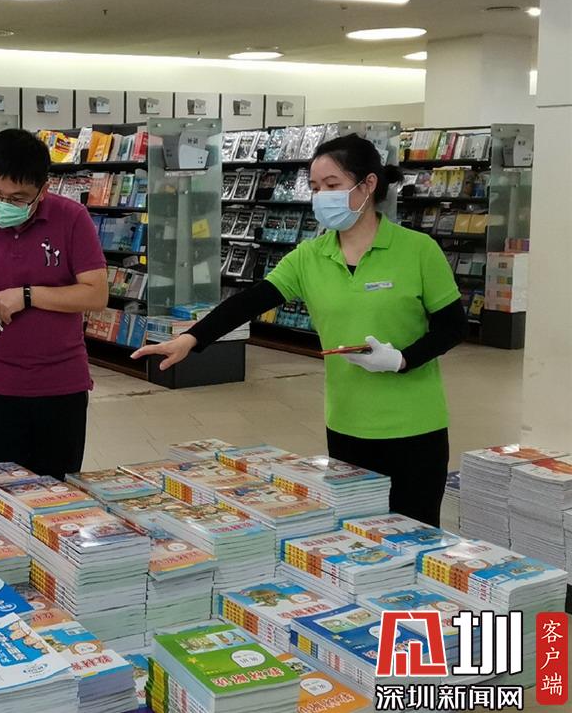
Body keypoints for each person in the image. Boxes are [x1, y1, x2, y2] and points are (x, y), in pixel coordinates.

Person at [134, 134, 466, 526]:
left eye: (332, 185)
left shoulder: (418, 250)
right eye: (315, 187)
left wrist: (402, 360)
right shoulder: (311, 256)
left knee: (418, 532)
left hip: (416, 427)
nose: (321, 196)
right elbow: (251, 300)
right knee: (357, 532)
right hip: (347, 424)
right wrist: (191, 338)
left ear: (368, 184)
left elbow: (453, 326)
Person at [0, 128, 108, 479]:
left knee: (57, 494)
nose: (2, 203)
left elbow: (96, 294)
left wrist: (27, 295)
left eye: (17, 198)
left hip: (62, 386)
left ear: (43, 190)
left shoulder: (72, 218)